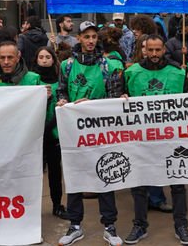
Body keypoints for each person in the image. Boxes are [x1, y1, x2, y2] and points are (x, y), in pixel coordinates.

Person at [55, 21, 126, 246]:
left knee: (105, 174)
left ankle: (110, 226)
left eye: (94, 36)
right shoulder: (67, 65)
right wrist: (63, 101)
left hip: (100, 131)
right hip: (74, 132)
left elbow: (113, 99)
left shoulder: (108, 66)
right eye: (86, 36)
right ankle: (75, 225)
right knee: (75, 177)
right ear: (79, 39)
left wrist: (91, 105)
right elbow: (61, 90)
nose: (91, 41)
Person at [122, 35, 188, 245]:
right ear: (144, 50)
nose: (154, 54)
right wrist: (121, 97)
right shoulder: (131, 73)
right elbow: (118, 99)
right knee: (139, 184)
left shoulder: (178, 73)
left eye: (158, 50)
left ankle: (181, 225)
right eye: (150, 50)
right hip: (141, 138)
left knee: (177, 184)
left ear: (164, 50)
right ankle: (139, 225)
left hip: (171, 138)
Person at [33, 46, 67, 220]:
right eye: (41, 57)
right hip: (35, 135)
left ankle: (57, 205)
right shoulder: (33, 80)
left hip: (54, 134)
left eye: (47, 57)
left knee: (55, 172)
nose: (44, 60)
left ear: (53, 59)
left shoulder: (59, 81)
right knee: (34, 172)